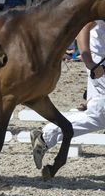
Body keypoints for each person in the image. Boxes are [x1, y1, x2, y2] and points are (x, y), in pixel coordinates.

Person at [30, 21, 105, 169]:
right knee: (99, 115)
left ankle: (46, 136)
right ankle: (46, 135)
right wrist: (89, 61)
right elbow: (84, 26)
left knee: (98, 114)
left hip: (99, 59)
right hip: (100, 62)